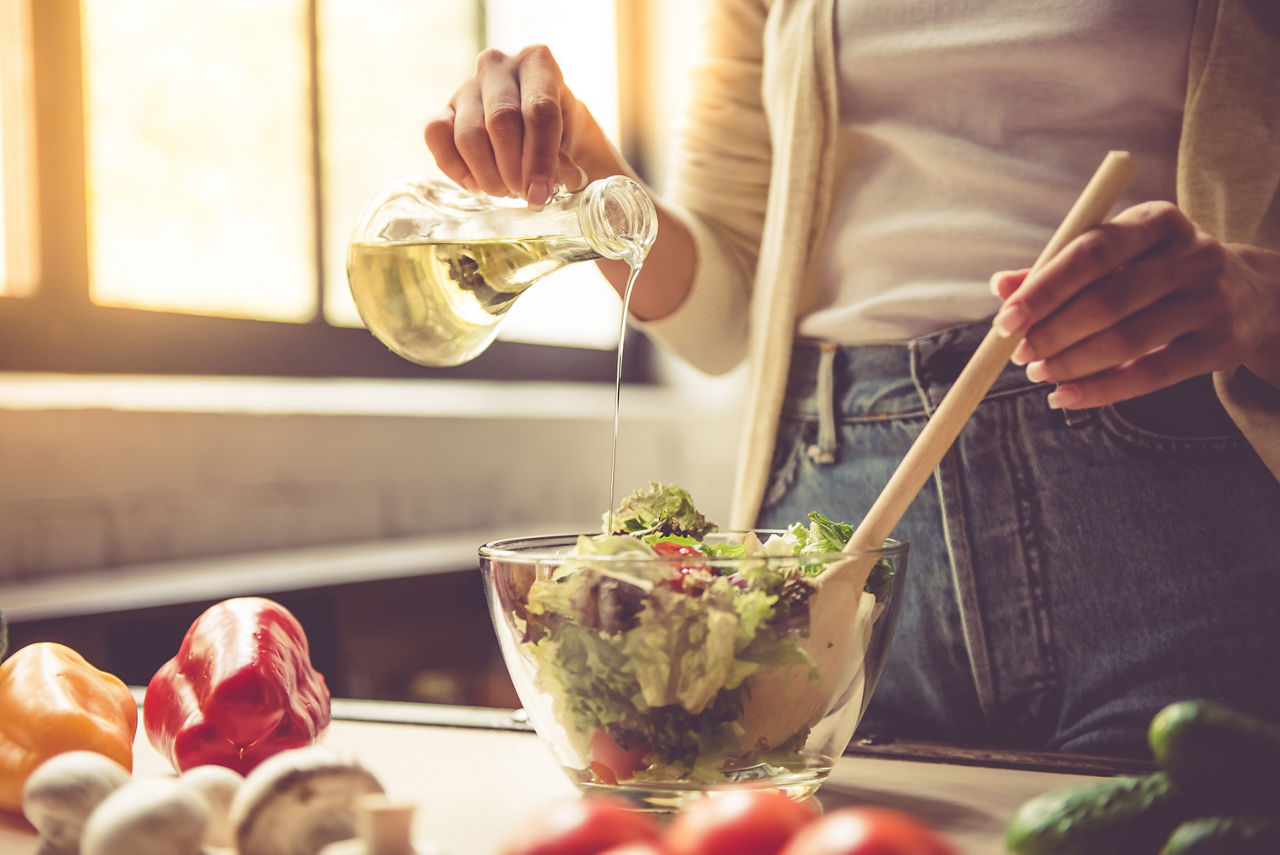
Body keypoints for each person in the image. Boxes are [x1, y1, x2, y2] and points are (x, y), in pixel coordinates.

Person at [424, 0, 1280, 757]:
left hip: (1176, 513)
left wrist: (1258, 296)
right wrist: (590, 176)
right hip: (834, 519)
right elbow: (726, 319)